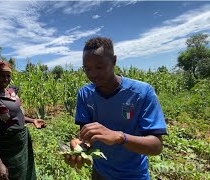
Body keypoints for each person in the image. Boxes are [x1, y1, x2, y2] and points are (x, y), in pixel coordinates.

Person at [65, 37, 167, 180]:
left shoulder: (141, 92)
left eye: (99, 67)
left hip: (133, 175)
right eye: (87, 69)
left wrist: (120, 137)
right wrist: (80, 146)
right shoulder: (85, 94)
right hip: (99, 173)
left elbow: (156, 146)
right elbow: (87, 137)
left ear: (113, 61)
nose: (93, 74)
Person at [0, 60, 46, 180]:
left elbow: (15, 117)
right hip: (6, 147)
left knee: (24, 174)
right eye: (1, 75)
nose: (6, 79)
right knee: (7, 175)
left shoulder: (11, 93)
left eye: (8, 76)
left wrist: (33, 120)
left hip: (21, 142)